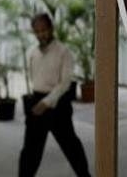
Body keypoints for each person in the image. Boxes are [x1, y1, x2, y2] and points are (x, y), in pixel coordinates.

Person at [18, 13, 91, 177]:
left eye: (44, 30)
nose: (41, 34)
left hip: (58, 105)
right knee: (30, 150)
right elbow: (34, 79)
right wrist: (37, 101)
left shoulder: (63, 52)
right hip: (37, 102)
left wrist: (46, 102)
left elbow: (65, 83)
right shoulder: (32, 53)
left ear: (51, 28)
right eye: (37, 31)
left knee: (71, 146)